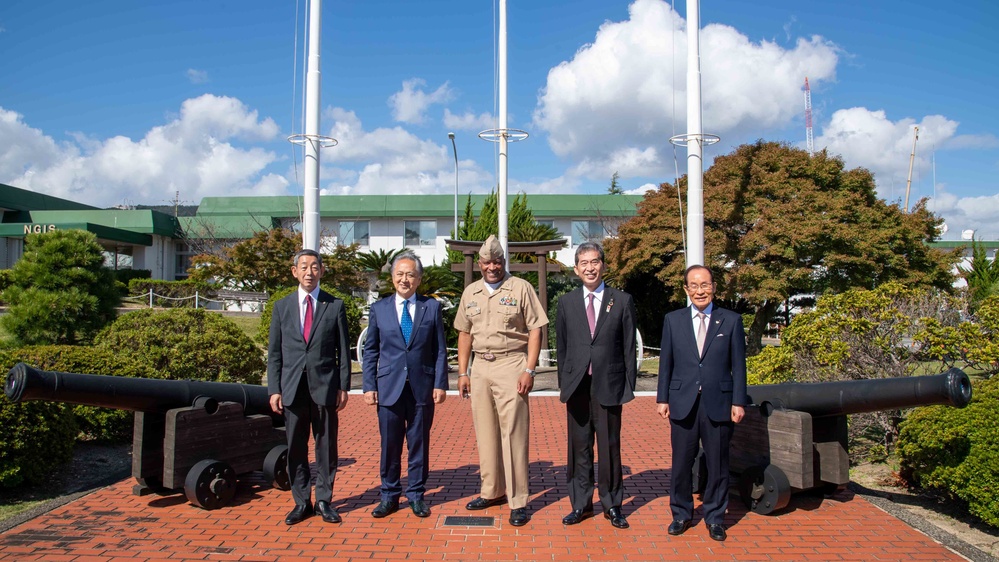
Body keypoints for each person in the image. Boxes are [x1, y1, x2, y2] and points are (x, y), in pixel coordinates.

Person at [454, 235, 547, 527]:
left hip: (511, 364)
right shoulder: (470, 292)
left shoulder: (520, 288)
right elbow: (465, 334)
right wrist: (463, 372)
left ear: (503, 262)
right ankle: (492, 490)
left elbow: (535, 330)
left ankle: (518, 500)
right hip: (480, 366)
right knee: (486, 432)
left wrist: (529, 370)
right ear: (480, 264)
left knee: (513, 434)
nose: (491, 266)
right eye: (486, 262)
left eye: (496, 261)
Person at [656, 264, 747, 541]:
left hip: (718, 402)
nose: (700, 291)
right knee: (682, 462)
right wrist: (662, 398)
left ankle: (715, 517)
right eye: (694, 285)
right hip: (682, 401)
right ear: (686, 289)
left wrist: (738, 401)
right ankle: (681, 514)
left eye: (705, 285)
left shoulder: (730, 320)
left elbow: (738, 366)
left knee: (718, 463)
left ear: (714, 287)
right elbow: (666, 363)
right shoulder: (673, 320)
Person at [555, 241, 637, 529]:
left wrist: (628, 385)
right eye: (584, 263)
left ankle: (612, 504)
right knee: (578, 447)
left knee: (609, 446)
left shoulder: (622, 300)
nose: (590, 268)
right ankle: (580, 504)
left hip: (609, 384)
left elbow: (629, 348)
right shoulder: (566, 303)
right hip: (577, 386)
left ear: (603, 265)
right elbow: (562, 347)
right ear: (576, 269)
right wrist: (563, 384)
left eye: (594, 262)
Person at [362, 252, 448, 519]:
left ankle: (416, 495)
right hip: (389, 387)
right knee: (390, 445)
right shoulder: (379, 309)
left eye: (410, 274)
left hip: (422, 387)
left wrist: (440, 383)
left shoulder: (431, 308)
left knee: (419, 444)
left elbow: (440, 350)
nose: (405, 279)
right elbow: (371, 351)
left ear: (419, 279)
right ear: (392, 278)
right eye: (400, 274)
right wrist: (368, 386)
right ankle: (388, 495)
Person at [267, 249, 351, 525]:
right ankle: (301, 501)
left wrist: (343, 386)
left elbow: (342, 351)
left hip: (325, 387)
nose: (309, 272)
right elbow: (275, 353)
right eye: (304, 267)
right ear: (294, 271)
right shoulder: (281, 307)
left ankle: (324, 500)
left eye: (315, 267)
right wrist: (274, 389)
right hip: (292, 388)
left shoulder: (334, 305)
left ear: (321, 271)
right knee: (296, 447)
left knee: (326, 446)